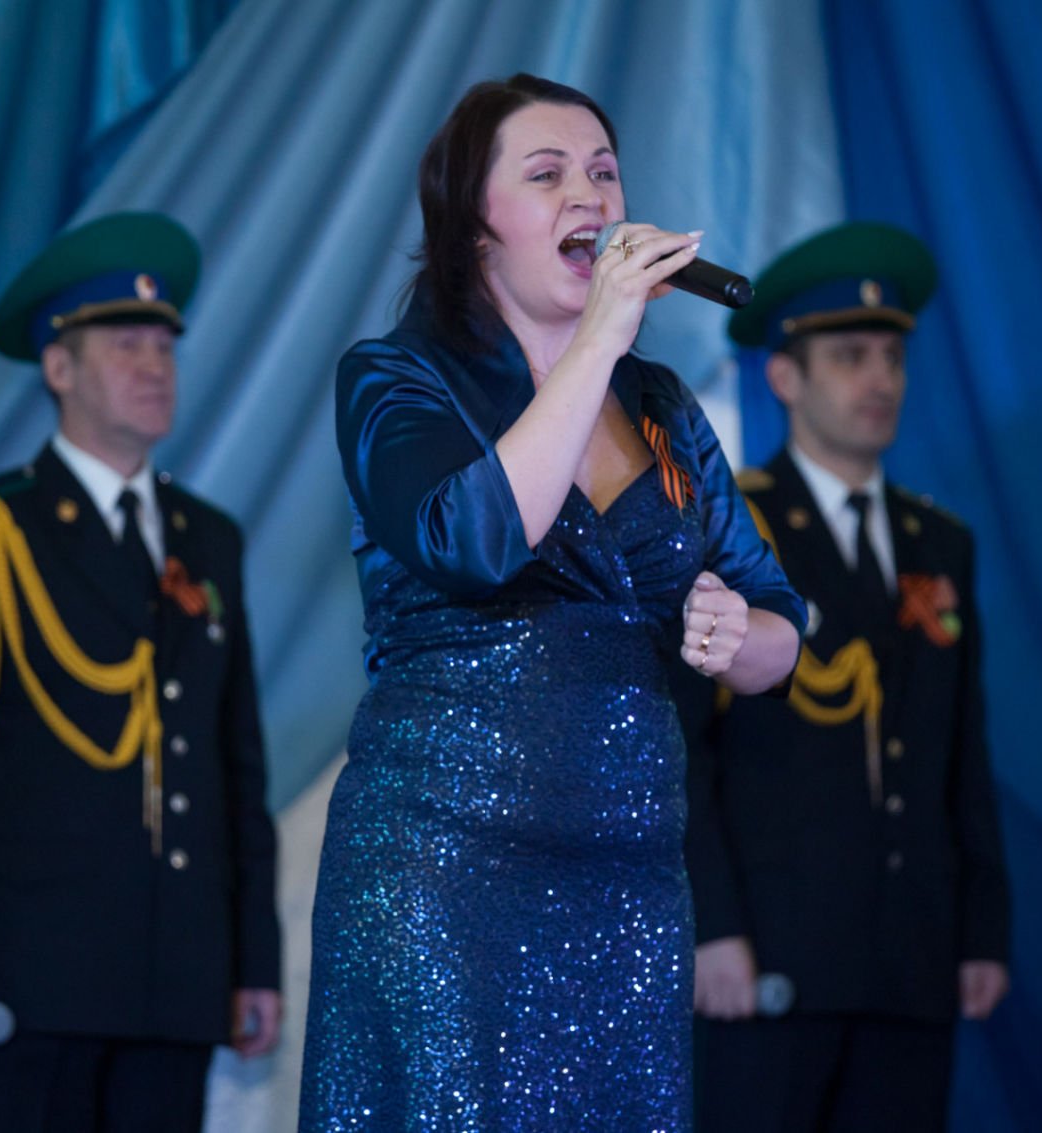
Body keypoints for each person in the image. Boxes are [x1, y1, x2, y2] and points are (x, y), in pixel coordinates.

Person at [297, 74, 808, 1129]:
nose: (590, 194)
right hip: (445, 867)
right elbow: (471, 541)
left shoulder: (660, 406)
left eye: (604, 172)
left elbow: (776, 620)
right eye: (546, 173)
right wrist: (598, 340)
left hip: (628, 879)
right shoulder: (397, 379)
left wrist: (738, 631)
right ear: (471, 222)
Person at [0, 211, 282, 1132]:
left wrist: (250, 959)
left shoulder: (208, 539)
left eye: (165, 347)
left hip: (178, 979)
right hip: (31, 983)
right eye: (125, 345)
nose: (155, 366)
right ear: (58, 369)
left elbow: (235, 769)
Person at [682, 221, 1012, 1132]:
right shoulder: (730, 531)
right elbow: (682, 748)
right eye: (850, 356)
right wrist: (712, 924)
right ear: (785, 377)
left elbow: (960, 752)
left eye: (892, 358)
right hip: (769, 958)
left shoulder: (940, 543)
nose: (880, 380)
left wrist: (981, 927)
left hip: (912, 958)